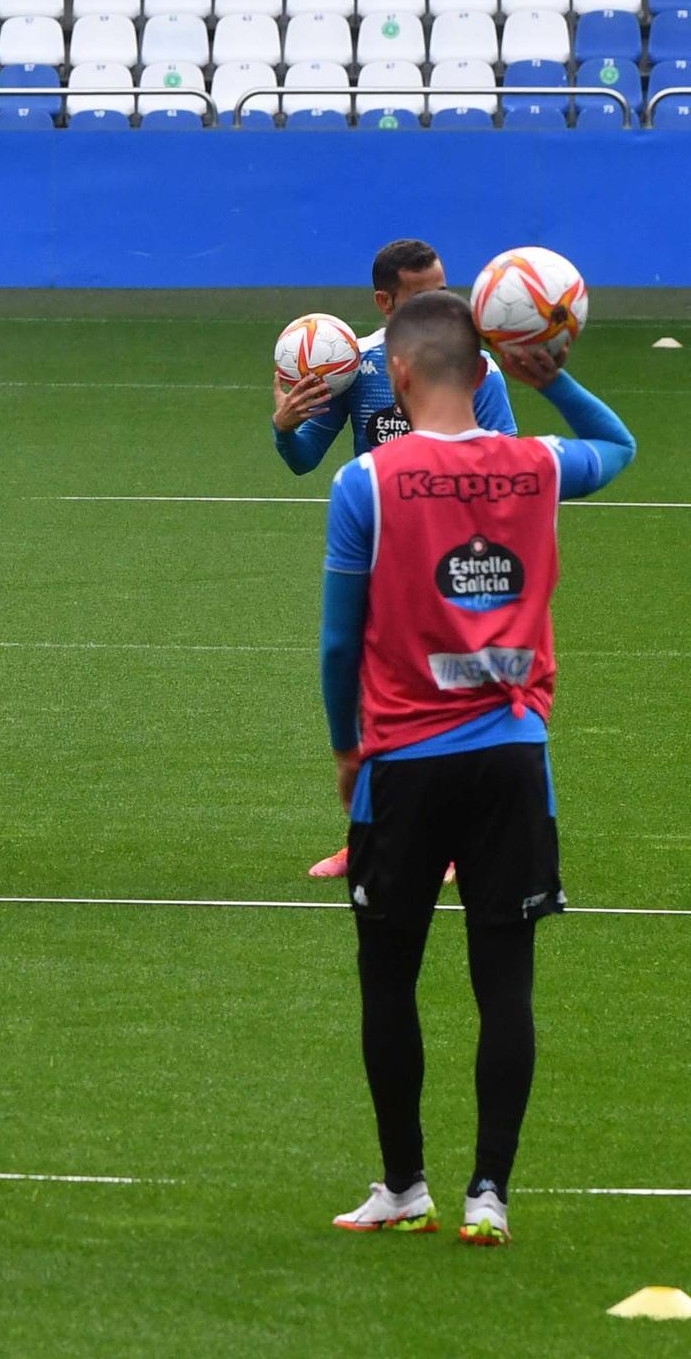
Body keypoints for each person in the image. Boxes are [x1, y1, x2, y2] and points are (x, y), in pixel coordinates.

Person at [319, 292, 635, 1246]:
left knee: (389, 980)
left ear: (401, 375)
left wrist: (347, 747)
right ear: (488, 373)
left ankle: (403, 1183)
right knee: (506, 981)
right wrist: (559, 379)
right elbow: (619, 449)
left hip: (403, 765)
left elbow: (340, 643)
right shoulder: (535, 462)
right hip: (513, 759)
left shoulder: (368, 482)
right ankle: (487, 1192)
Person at [272, 238, 518, 880]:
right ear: (385, 302)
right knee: (371, 701)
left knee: (453, 698)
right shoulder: (355, 366)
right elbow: (303, 460)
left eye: (444, 288)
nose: (443, 303)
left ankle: (456, 845)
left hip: (458, 562)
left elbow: (512, 464)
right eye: (423, 294)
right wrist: (283, 424)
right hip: (380, 561)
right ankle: (367, 838)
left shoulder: (475, 368)